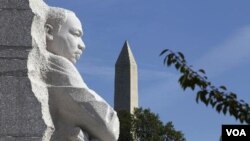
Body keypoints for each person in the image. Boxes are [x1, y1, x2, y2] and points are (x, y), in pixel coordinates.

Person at [43, 7, 119, 141]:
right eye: (76, 34)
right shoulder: (57, 65)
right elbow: (107, 126)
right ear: (49, 32)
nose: (82, 45)